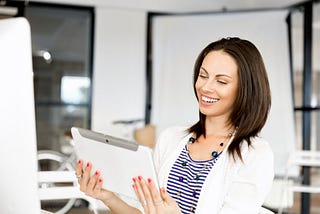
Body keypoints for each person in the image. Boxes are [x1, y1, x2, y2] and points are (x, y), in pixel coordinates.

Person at [76, 37, 274, 214]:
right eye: (203, 75)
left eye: (221, 81)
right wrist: (107, 196)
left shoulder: (254, 154)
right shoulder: (171, 138)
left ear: (246, 90)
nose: (205, 87)